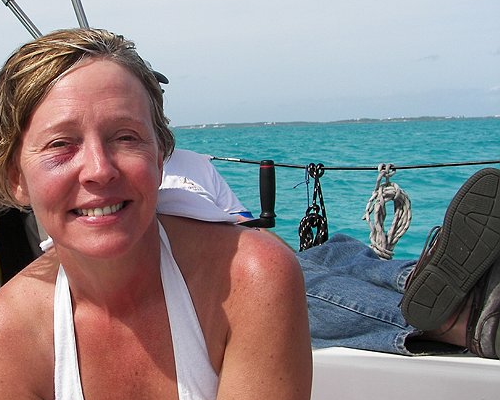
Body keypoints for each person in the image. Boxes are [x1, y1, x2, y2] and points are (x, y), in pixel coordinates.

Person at [0, 28, 362, 400]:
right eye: (61, 144)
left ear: (160, 158)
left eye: (126, 137)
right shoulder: (11, 334)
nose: (99, 170)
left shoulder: (248, 278)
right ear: (16, 177)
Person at [156, 149, 500, 359]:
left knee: (337, 250)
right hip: (198, 285)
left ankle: (427, 280)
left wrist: (282, 258)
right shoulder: (136, 174)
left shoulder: (191, 163)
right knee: (282, 286)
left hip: (238, 251)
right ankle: (454, 322)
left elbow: (248, 228)